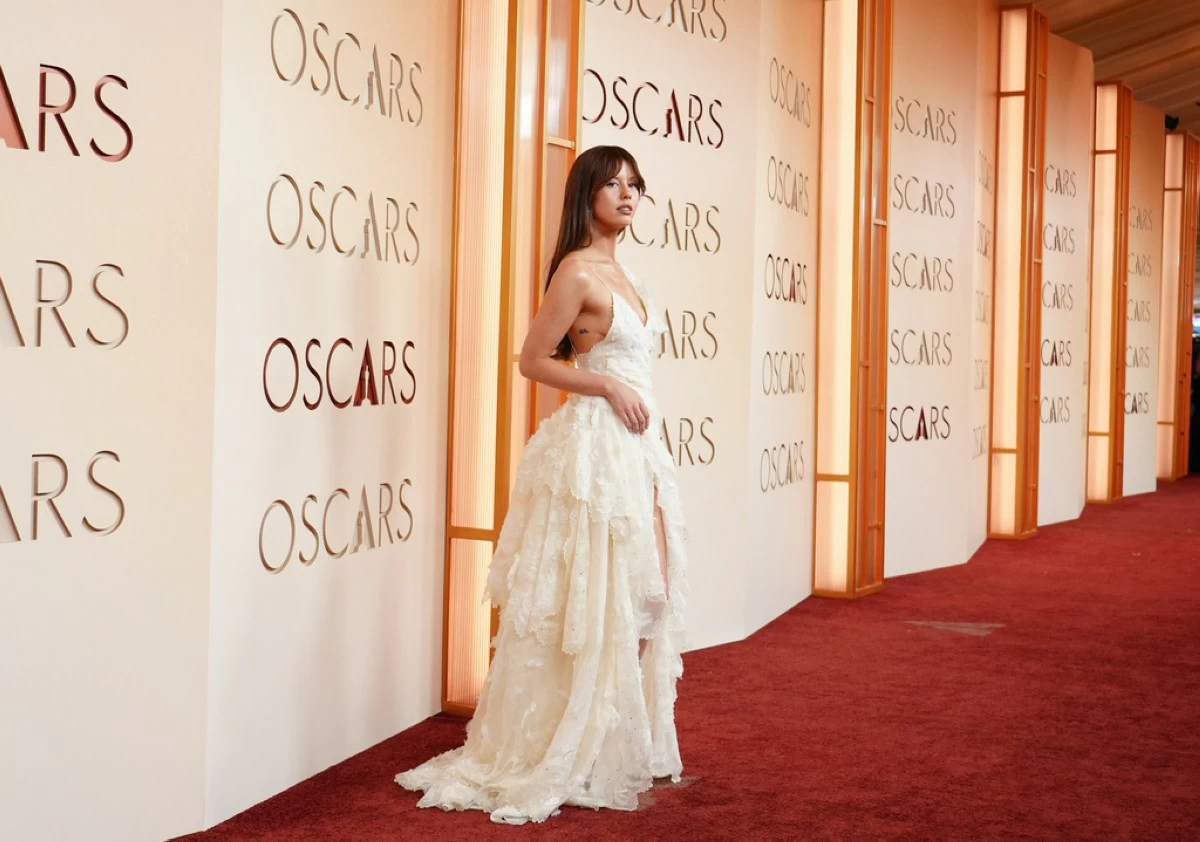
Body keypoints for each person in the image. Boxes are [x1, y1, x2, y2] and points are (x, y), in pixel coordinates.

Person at [394, 145, 688, 825]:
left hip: (633, 450)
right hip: (589, 449)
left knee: (635, 593)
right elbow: (532, 360)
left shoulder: (624, 270)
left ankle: (602, 739)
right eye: (612, 184)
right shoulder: (577, 272)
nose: (626, 195)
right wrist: (607, 383)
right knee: (584, 598)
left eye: (634, 186)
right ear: (586, 194)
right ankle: (560, 748)